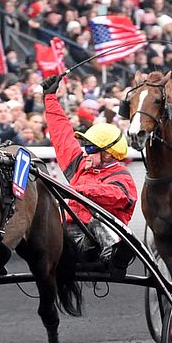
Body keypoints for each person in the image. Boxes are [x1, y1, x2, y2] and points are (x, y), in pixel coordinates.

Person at [41, 74, 138, 278]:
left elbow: (118, 196)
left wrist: (76, 191)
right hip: (72, 238)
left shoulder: (121, 175)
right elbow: (62, 134)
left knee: (98, 219)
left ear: (108, 153)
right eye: (85, 146)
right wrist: (49, 98)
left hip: (97, 241)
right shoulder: (79, 165)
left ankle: (114, 258)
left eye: (91, 147)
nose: (86, 151)